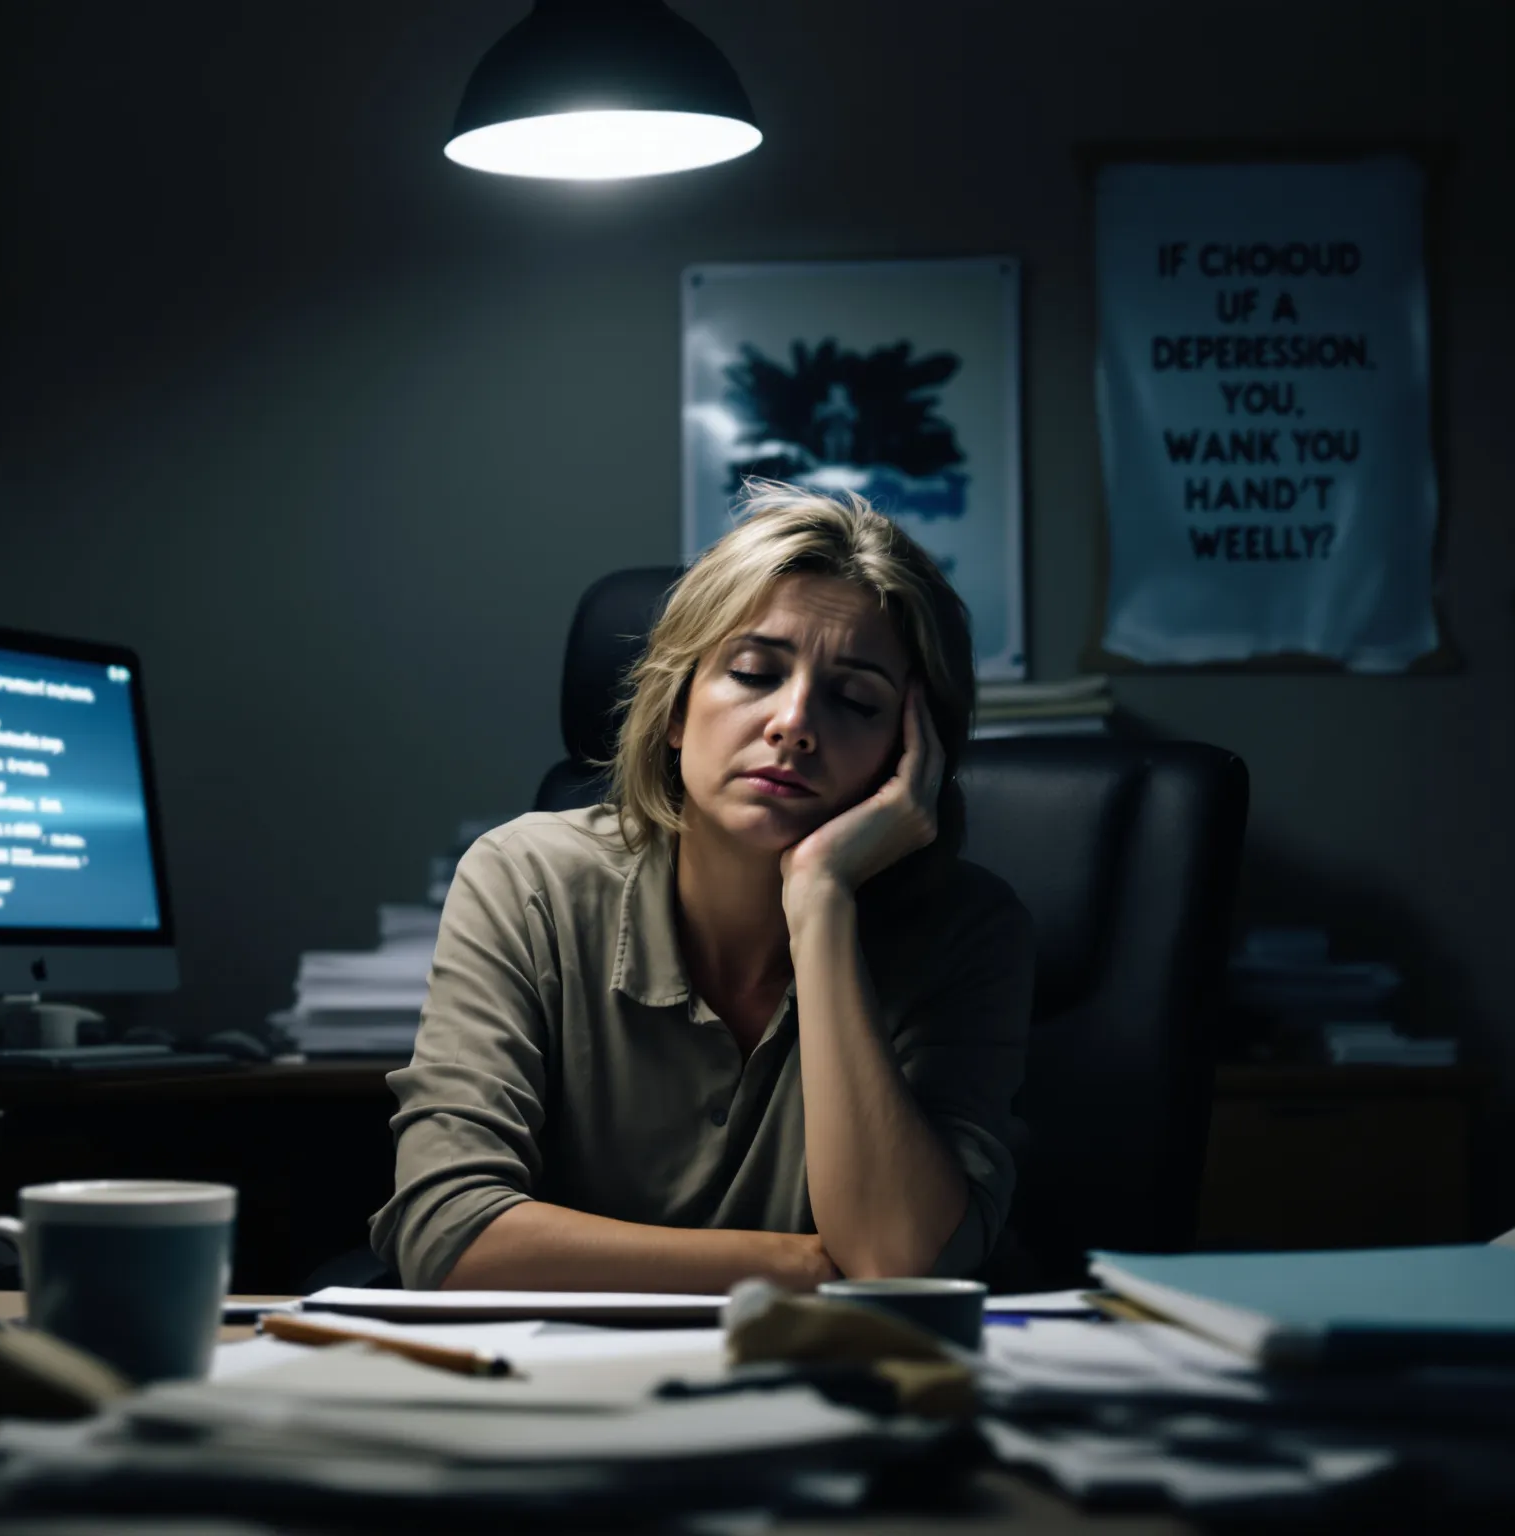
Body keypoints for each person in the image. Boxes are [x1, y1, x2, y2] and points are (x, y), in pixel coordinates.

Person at [368, 483, 1034, 1292]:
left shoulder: (969, 930)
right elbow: (446, 1233)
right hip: (560, 1362)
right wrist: (798, 1263)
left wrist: (821, 900)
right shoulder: (527, 880)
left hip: (837, 1368)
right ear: (676, 711)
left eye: (856, 700)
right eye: (754, 673)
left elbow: (898, 1263)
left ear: (909, 756)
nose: (794, 723)